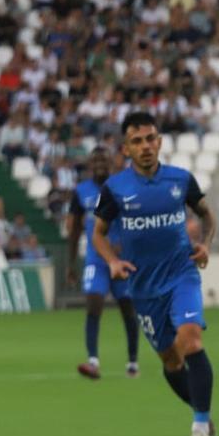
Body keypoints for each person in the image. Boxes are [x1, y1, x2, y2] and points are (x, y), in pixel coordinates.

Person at [93, 112, 217, 436]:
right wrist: (113, 261)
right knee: (170, 360)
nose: (145, 146)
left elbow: (207, 214)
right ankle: (204, 416)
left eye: (150, 139)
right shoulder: (115, 189)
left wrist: (205, 243)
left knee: (190, 340)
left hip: (182, 274)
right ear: (126, 148)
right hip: (144, 288)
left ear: (160, 141)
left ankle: (199, 426)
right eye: (137, 141)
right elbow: (98, 234)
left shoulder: (180, 180)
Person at [67, 147, 140, 380]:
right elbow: (75, 227)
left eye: (104, 159)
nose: (99, 164)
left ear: (112, 163)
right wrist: (70, 263)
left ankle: (132, 361)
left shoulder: (123, 187)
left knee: (128, 308)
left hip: (121, 258)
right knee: (93, 303)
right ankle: (93, 361)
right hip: (95, 259)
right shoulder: (81, 192)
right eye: (95, 160)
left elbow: (135, 219)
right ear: (90, 164)